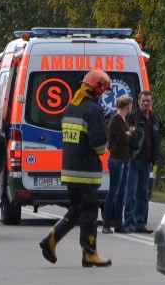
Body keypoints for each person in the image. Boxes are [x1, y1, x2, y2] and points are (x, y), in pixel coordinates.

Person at [39, 70, 113, 267]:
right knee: (89, 214)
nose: (102, 95)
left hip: (70, 170)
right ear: (97, 89)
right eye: (103, 91)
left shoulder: (71, 107)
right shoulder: (93, 111)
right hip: (86, 172)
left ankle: (50, 241)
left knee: (77, 211)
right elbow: (98, 145)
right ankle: (90, 253)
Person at [124, 90, 163, 234]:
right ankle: (129, 223)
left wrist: (155, 157)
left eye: (148, 101)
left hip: (147, 161)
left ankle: (140, 223)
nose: (146, 103)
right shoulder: (132, 117)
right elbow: (124, 137)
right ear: (138, 101)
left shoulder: (155, 119)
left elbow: (158, 138)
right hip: (133, 159)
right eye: (143, 101)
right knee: (131, 193)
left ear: (152, 102)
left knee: (143, 193)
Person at [102, 95, 136, 234]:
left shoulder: (124, 120)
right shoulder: (115, 119)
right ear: (128, 106)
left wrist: (129, 133)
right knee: (113, 192)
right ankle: (106, 224)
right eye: (131, 105)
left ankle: (118, 223)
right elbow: (122, 138)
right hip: (116, 159)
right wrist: (130, 133)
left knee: (122, 193)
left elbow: (126, 136)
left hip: (125, 158)